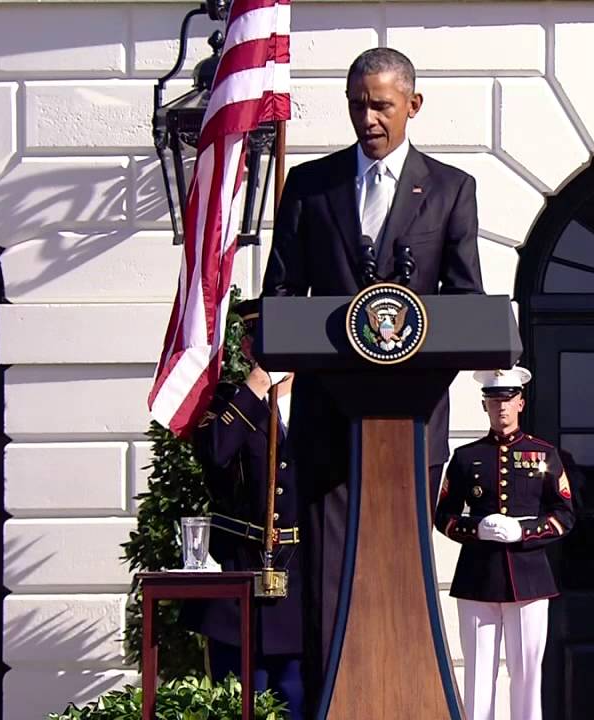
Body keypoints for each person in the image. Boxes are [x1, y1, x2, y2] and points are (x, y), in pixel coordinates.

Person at [259, 46, 485, 701]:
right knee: (330, 578)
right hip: (330, 420)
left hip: (411, 424)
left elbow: (469, 303)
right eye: (358, 104)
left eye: (382, 105)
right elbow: (281, 297)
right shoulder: (310, 186)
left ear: (413, 105)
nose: (369, 119)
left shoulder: (450, 191)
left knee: (400, 572)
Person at [186, 298, 304, 718]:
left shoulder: (316, 405)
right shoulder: (225, 402)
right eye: (263, 344)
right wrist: (255, 387)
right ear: (248, 348)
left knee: (296, 696)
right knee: (239, 699)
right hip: (238, 572)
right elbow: (215, 452)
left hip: (299, 577)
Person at [434, 367, 575, 720]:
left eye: (508, 400)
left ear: (521, 403)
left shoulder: (543, 453)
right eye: (494, 400)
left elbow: (565, 514)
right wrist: (475, 530)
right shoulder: (466, 457)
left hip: (529, 578)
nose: (501, 407)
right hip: (478, 578)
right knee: (479, 675)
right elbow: (443, 516)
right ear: (484, 405)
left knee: (526, 673)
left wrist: (524, 532)